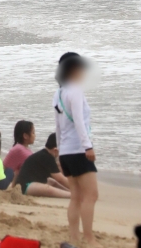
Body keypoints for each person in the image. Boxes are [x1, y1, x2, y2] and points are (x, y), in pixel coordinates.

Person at [53, 51, 98, 247]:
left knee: (76, 197)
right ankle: (88, 239)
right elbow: (79, 122)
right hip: (79, 150)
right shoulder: (76, 91)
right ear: (73, 70)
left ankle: (74, 238)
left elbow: (58, 126)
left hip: (65, 152)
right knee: (91, 195)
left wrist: (59, 154)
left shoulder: (59, 93)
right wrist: (88, 146)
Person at [15, 131, 70, 198]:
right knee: (48, 189)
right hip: (26, 185)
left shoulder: (45, 154)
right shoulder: (47, 157)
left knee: (52, 181)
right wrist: (77, 188)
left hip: (33, 182)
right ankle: (72, 195)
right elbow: (60, 179)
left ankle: (70, 191)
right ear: (55, 150)